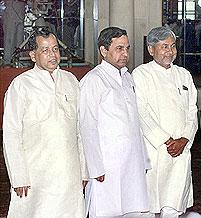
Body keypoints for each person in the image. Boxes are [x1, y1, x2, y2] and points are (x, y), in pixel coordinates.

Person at [2, 28, 87, 217]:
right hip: (35, 176)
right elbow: (11, 132)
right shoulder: (21, 84)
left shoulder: (71, 81)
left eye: (55, 49)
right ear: (33, 55)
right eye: (45, 50)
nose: (52, 55)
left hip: (68, 173)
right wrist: (18, 176)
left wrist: (83, 170)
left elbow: (80, 130)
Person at [79, 27, 151, 218]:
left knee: (133, 210)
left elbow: (135, 123)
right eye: (119, 48)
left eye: (127, 48)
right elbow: (87, 126)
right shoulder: (93, 80)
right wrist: (95, 167)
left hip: (132, 162)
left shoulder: (127, 77)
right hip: (107, 166)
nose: (125, 54)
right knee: (105, 211)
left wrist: (143, 159)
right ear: (103, 51)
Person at [132, 27, 198, 218]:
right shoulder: (141, 74)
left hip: (181, 151)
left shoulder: (184, 74)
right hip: (155, 151)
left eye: (172, 46)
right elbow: (141, 111)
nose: (170, 51)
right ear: (151, 49)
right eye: (164, 47)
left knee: (173, 207)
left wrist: (184, 139)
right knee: (148, 206)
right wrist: (166, 141)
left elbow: (192, 111)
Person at [2, 0, 26, 66]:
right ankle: (7, 61)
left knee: (19, 40)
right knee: (9, 38)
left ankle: (18, 60)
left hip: (21, 10)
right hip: (11, 10)